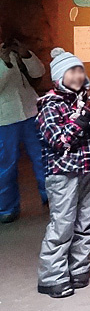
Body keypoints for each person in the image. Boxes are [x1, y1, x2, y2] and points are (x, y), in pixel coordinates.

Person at [36, 48, 90, 298]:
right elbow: (59, 141)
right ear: (59, 76)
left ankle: (79, 269)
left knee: (86, 222)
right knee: (63, 223)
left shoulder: (86, 101)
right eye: (71, 71)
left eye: (80, 70)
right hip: (63, 173)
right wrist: (82, 118)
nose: (77, 76)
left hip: (89, 169)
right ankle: (52, 276)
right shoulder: (49, 106)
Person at [0, 25, 48, 224]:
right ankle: (7, 208)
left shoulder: (14, 52)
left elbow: (39, 72)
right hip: (5, 118)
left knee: (43, 157)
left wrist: (24, 54)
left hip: (31, 111)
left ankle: (51, 197)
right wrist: (4, 63)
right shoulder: (4, 57)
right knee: (6, 164)